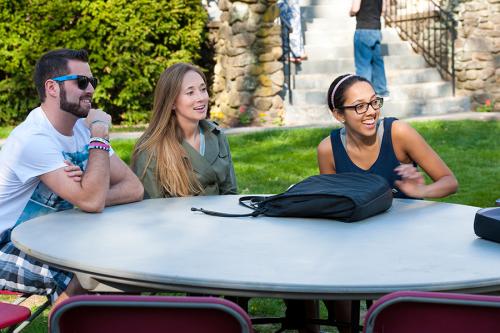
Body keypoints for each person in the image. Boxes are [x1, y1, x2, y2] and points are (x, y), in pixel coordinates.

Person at [0, 49, 144, 305]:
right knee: (88, 272)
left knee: (128, 261)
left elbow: (133, 187)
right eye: (81, 82)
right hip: (7, 243)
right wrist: (100, 132)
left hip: (53, 234)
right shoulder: (34, 139)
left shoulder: (80, 129)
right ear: (52, 88)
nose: (90, 89)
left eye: (92, 82)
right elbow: (91, 201)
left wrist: (87, 193)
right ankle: (68, 319)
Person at [317, 74, 458, 332]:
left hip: (405, 241)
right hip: (356, 241)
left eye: (374, 102)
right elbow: (332, 205)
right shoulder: (328, 149)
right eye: (359, 106)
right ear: (339, 115)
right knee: (327, 271)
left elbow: (449, 181)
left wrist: (421, 190)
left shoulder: (398, 133)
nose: (371, 112)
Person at [131, 62, 237, 198]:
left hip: (221, 218)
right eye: (190, 92)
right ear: (172, 102)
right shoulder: (150, 149)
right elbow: (151, 209)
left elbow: (231, 194)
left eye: (203, 89)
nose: (201, 98)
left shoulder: (217, 135)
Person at [350, 0, 390, 98]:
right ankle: (382, 91)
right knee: (378, 63)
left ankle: (365, 95)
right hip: (376, 29)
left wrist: (351, 12)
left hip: (363, 29)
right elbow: (384, 9)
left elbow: (355, 9)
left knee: (363, 65)